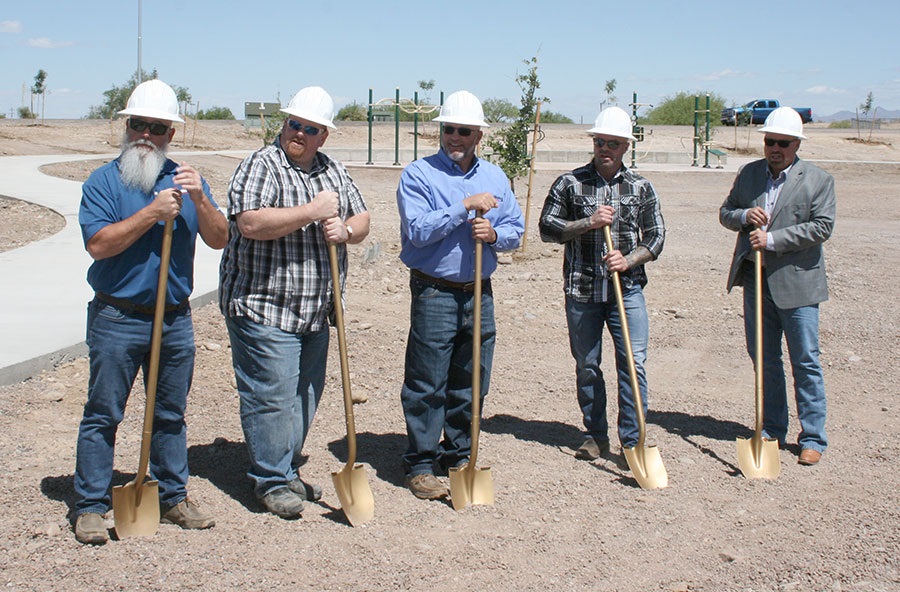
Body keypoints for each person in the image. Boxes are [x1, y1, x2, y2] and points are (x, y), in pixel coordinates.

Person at [73, 79, 228, 545]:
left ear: (171, 134)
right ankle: (91, 506)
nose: (145, 133)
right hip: (117, 318)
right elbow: (99, 246)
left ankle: (173, 495)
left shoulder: (183, 180)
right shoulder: (103, 182)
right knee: (104, 413)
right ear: (126, 126)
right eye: (137, 124)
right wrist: (150, 215)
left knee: (169, 413)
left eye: (156, 127)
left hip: (174, 319)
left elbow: (220, 238)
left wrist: (198, 199)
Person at [219, 86, 370, 518]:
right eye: (294, 124)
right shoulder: (261, 164)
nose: (299, 133)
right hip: (263, 305)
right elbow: (249, 222)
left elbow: (362, 219)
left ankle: (284, 469)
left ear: (324, 135)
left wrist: (346, 230)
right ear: (284, 124)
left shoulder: (334, 170)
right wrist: (312, 210)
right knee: (272, 394)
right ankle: (269, 480)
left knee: (305, 394)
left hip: (316, 310)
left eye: (310, 128)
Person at [396, 90, 524, 500]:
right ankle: (420, 461)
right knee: (427, 378)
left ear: (478, 135)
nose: (453, 137)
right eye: (448, 129)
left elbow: (516, 231)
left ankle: (459, 454)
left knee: (472, 377)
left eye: (463, 131)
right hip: (435, 291)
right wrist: (464, 207)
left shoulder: (496, 177)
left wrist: (496, 234)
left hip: (480, 293)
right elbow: (417, 230)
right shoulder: (419, 175)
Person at [539, 106, 665, 463]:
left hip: (627, 292)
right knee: (588, 365)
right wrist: (588, 223)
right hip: (582, 291)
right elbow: (547, 229)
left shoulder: (640, 187)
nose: (604, 148)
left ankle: (633, 439)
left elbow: (656, 236)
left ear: (626, 146)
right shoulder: (570, 183)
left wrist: (629, 259)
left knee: (633, 363)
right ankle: (595, 435)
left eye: (612, 143)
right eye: (599, 142)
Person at [719, 107, 835, 466]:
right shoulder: (750, 174)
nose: (775, 148)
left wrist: (771, 240)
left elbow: (821, 227)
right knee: (764, 358)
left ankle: (813, 437)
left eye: (783, 143)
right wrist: (743, 217)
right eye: (770, 141)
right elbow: (726, 212)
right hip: (756, 281)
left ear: (797, 144)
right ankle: (772, 429)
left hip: (798, 285)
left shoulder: (818, 180)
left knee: (805, 359)